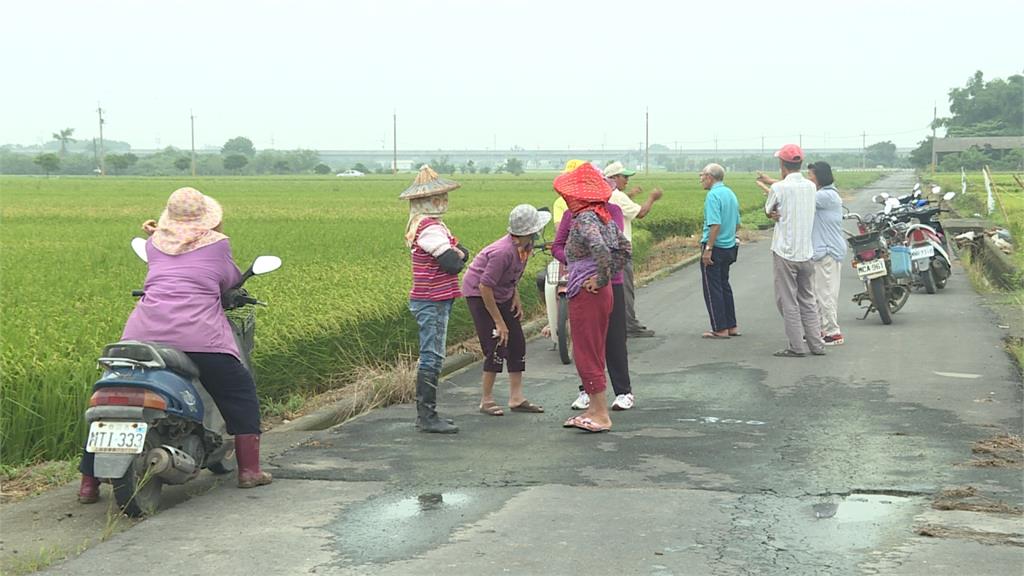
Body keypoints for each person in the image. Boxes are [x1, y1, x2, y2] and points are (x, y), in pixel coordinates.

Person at [77, 187, 272, 504]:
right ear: (208, 218)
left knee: (108, 405)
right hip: (200, 336)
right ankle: (250, 470)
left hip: (141, 333)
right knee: (239, 391)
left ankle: (88, 483)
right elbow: (230, 280)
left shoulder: (155, 243)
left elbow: (169, 251)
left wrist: (159, 232)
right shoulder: (219, 244)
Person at [554, 163, 630, 432]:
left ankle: (600, 414)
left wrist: (599, 277)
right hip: (601, 292)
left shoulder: (585, 218)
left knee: (586, 350)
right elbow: (625, 249)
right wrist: (608, 277)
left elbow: (599, 248)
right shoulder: (604, 216)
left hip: (587, 291)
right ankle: (595, 407)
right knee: (595, 348)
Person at [462, 204, 550, 416]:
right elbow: (485, 285)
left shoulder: (525, 248)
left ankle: (516, 397)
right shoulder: (503, 252)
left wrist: (515, 295)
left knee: (517, 342)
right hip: (480, 294)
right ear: (529, 231)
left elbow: (512, 275)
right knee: (496, 343)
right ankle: (486, 399)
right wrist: (499, 322)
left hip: (502, 292)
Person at [401, 165, 468, 434]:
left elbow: (460, 252)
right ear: (424, 201)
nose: (443, 201)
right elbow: (453, 261)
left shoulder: (429, 225)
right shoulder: (429, 229)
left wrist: (459, 253)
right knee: (432, 356)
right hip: (433, 300)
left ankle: (428, 413)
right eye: (438, 197)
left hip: (434, 298)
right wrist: (459, 254)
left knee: (434, 354)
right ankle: (426, 416)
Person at [757, 144, 825, 358]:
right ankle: (817, 344)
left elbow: (769, 210)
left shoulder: (779, 188)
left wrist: (774, 214)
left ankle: (796, 346)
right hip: (806, 251)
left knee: (788, 300)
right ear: (800, 163)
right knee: (807, 298)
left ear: (782, 165)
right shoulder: (811, 187)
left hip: (785, 251)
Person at [603, 161, 663, 338]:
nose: (627, 180)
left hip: (606, 248)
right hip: (621, 250)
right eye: (624, 177)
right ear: (614, 178)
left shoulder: (606, 195)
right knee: (625, 288)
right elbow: (641, 213)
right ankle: (630, 325)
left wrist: (630, 195)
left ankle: (615, 324)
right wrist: (652, 197)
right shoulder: (619, 197)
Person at [697, 163, 741, 339]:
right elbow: (737, 223)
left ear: (709, 177)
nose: (701, 180)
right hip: (729, 246)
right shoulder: (730, 193)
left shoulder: (713, 196)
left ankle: (719, 328)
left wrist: (708, 248)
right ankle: (731, 325)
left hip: (715, 247)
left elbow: (715, 224)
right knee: (724, 285)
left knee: (712, 288)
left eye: (702, 176)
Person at [807, 161, 846, 345]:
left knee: (826, 294)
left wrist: (772, 186)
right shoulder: (824, 194)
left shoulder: (826, 196)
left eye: (811, 175)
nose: (809, 179)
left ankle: (833, 332)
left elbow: (798, 196)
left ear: (820, 176)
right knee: (817, 293)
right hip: (823, 251)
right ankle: (821, 330)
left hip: (828, 251)